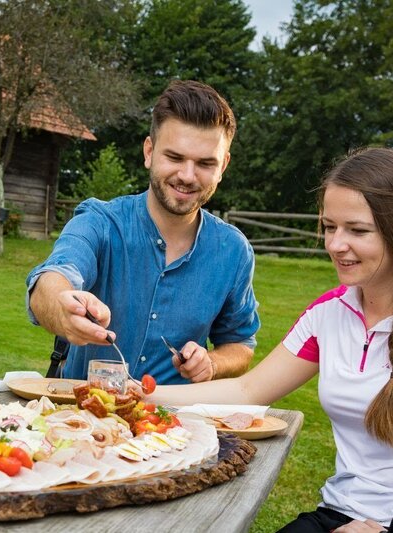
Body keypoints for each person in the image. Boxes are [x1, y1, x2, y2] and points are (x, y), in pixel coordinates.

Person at [149, 147, 393, 532]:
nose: (335, 244)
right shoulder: (328, 313)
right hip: (338, 515)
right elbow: (249, 389)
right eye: (330, 227)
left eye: (357, 230)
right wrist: (139, 395)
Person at [27, 80, 260, 385]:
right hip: (83, 420)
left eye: (205, 163)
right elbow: (52, 279)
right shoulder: (100, 221)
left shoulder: (234, 251)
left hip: (173, 427)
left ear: (223, 166)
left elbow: (241, 344)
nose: (187, 176)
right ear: (149, 152)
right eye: (174, 158)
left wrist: (212, 363)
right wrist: (60, 305)